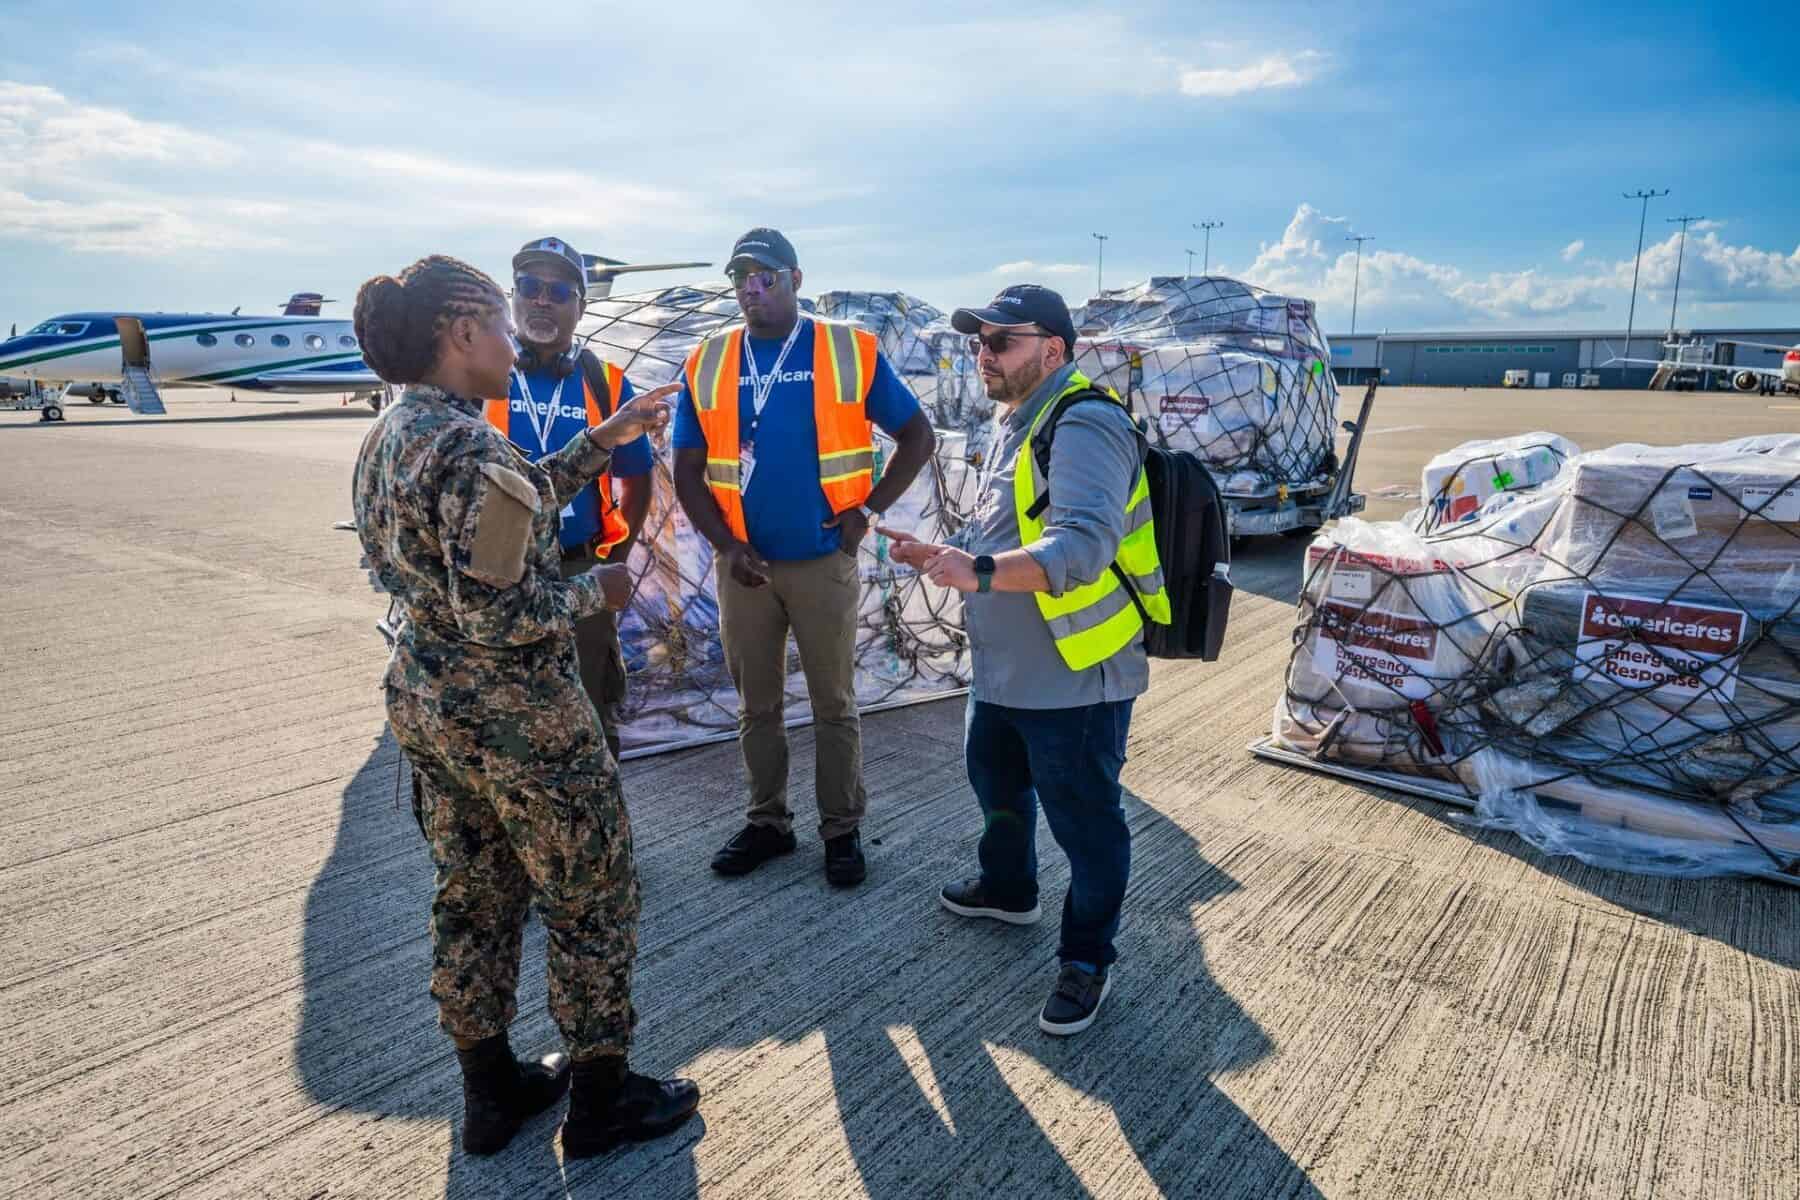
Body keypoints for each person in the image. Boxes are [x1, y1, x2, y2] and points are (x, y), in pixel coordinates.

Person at [349, 254, 699, 1157]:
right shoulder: (470, 447)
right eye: (502, 324)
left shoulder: (396, 434)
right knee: (591, 897)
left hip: (433, 707)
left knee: (473, 893)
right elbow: (500, 608)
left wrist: (603, 436)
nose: (514, 340)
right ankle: (601, 1099)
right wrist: (601, 591)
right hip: (520, 719)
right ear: (461, 336)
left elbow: (511, 506)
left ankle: (491, 1088)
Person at [879, 284, 1168, 1037]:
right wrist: (946, 557)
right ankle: (1009, 889)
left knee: (1087, 824)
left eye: (1002, 339)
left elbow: (1080, 547)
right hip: (1007, 671)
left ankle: (1086, 959)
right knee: (995, 782)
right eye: (979, 339)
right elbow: (1000, 526)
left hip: (1075, 677)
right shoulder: (1016, 420)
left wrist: (972, 570)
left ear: (1053, 350)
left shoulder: (1085, 423)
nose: (984, 351)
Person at [670, 228, 935, 886]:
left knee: (833, 704)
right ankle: (768, 823)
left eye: (766, 277)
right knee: (756, 705)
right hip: (746, 569)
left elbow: (917, 434)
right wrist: (727, 545)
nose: (751, 289)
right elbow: (687, 468)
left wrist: (866, 513)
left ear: (795, 278)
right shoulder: (708, 359)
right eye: (741, 278)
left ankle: (841, 830)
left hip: (823, 561)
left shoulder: (845, 348)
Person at [490, 236, 654, 759]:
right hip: (497, 576)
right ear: (512, 295)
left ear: (580, 307)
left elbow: (638, 476)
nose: (542, 300)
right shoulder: (482, 373)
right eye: (530, 287)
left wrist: (616, 558)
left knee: (591, 714)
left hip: (581, 569)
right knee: (505, 719)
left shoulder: (605, 383)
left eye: (558, 291)